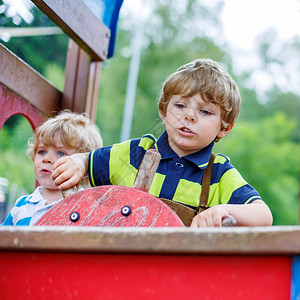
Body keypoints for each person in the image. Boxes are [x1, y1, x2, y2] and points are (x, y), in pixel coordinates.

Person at [52, 59, 273, 227]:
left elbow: (264, 216)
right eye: (180, 106)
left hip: (178, 277)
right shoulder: (136, 153)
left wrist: (224, 210)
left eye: (204, 111)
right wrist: (79, 162)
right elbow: (88, 162)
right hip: (121, 266)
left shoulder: (219, 174)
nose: (189, 116)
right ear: (163, 110)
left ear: (225, 127)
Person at [1, 110, 103, 226]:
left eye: (60, 153)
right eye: (42, 152)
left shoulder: (86, 207)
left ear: (82, 165)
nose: (47, 159)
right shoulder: (22, 205)